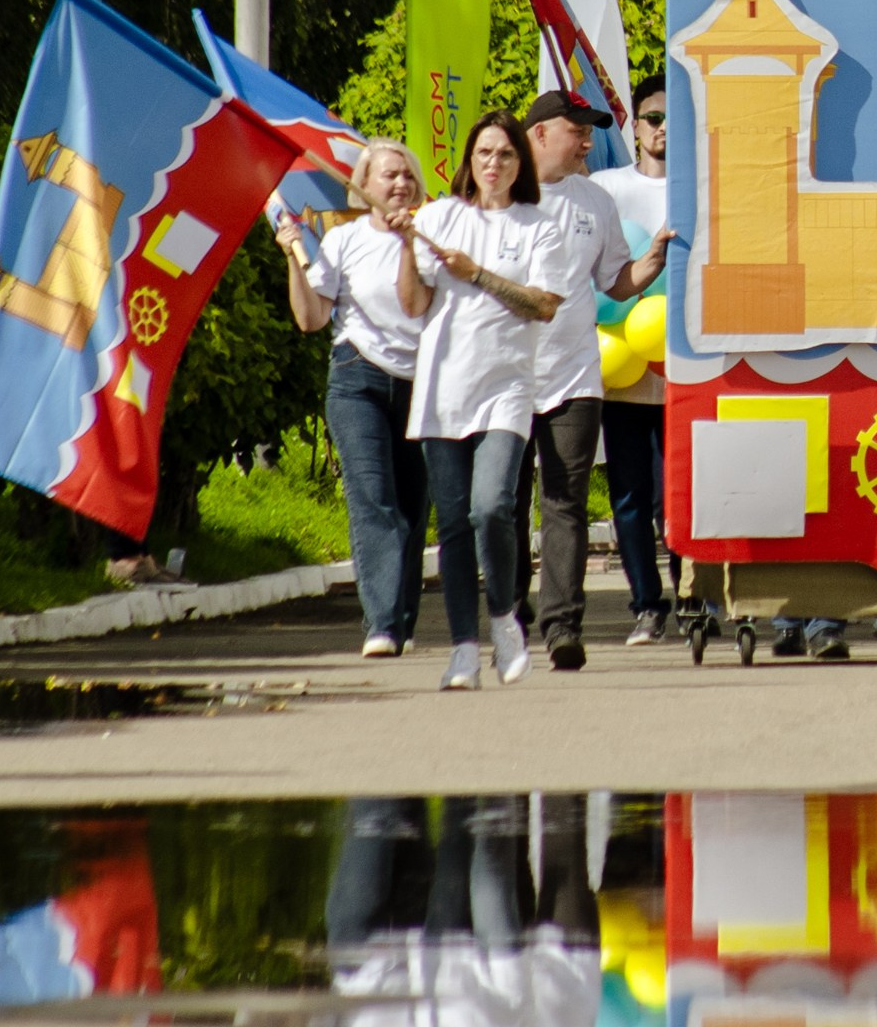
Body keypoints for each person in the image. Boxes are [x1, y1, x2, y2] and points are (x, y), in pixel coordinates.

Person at [404, 110, 563, 691]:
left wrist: (476, 274)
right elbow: (415, 302)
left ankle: (505, 622)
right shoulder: (440, 217)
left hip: (507, 388)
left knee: (493, 505)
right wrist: (404, 243)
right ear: (469, 161)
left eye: (506, 155)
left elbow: (542, 305)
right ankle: (463, 649)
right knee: (452, 527)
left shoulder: (537, 226)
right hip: (444, 389)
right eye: (484, 154)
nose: (494, 164)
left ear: (521, 163)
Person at [518, 88, 671, 669]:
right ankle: (509, 610)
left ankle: (561, 626)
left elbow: (615, 282)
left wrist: (649, 264)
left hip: (576, 373)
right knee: (502, 506)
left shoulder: (595, 200)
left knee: (566, 501)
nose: (588, 141)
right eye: (576, 130)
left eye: (591, 131)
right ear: (539, 135)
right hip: (505, 376)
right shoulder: (497, 196)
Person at [276, 139, 431, 658]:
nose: (400, 184)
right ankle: (381, 624)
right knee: (373, 500)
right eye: (389, 176)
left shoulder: (434, 237)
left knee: (412, 509)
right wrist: (293, 259)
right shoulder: (344, 241)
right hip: (357, 377)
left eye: (407, 175)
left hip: (422, 385)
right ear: (364, 188)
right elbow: (311, 319)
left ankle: (401, 619)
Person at [590, 75, 678, 644]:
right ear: (635, 126)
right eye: (651, 118)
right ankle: (647, 602)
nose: (662, 128)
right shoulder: (607, 188)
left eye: (673, 118)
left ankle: (698, 595)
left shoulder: (703, 183)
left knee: (682, 493)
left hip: (685, 366)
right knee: (628, 493)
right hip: (621, 365)